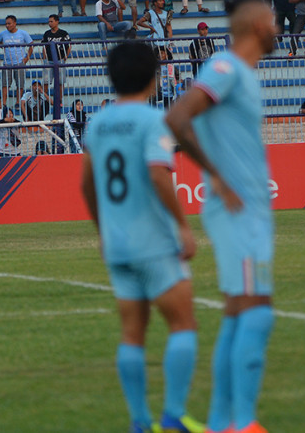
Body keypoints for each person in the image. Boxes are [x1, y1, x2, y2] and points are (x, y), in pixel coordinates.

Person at [165, 0, 277, 433]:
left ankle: (220, 423)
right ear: (255, 25)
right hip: (237, 209)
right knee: (257, 309)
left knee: (238, 310)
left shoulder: (243, 74)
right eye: (271, 18)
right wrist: (215, 173)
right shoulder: (226, 68)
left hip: (248, 209)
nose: (276, 26)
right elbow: (177, 117)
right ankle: (243, 422)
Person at [79, 41, 202, 433]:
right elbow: (157, 173)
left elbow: (86, 183)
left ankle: (139, 422)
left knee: (132, 332)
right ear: (154, 77)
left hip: (118, 243)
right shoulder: (154, 123)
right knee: (182, 324)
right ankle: (174, 416)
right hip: (152, 241)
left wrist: (102, 230)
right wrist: (183, 226)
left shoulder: (98, 123)